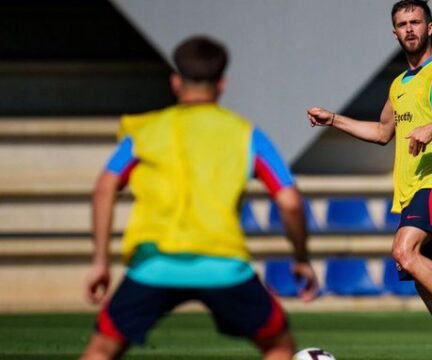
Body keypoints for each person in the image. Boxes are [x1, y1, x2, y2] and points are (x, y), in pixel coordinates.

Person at [81, 36, 319, 360]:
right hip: (223, 265)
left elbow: (104, 187)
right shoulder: (246, 135)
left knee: (102, 350)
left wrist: (99, 261)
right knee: (279, 346)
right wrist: (301, 258)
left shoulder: (144, 131)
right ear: (222, 84)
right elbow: (289, 201)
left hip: (154, 264)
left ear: (176, 82)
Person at [307, 1, 432, 359]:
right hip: (412, 189)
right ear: (394, 33)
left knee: (403, 252)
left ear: (430, 28)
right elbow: (381, 132)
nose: (409, 29)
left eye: (416, 22)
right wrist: (333, 119)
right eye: (402, 24)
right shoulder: (399, 85)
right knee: (426, 278)